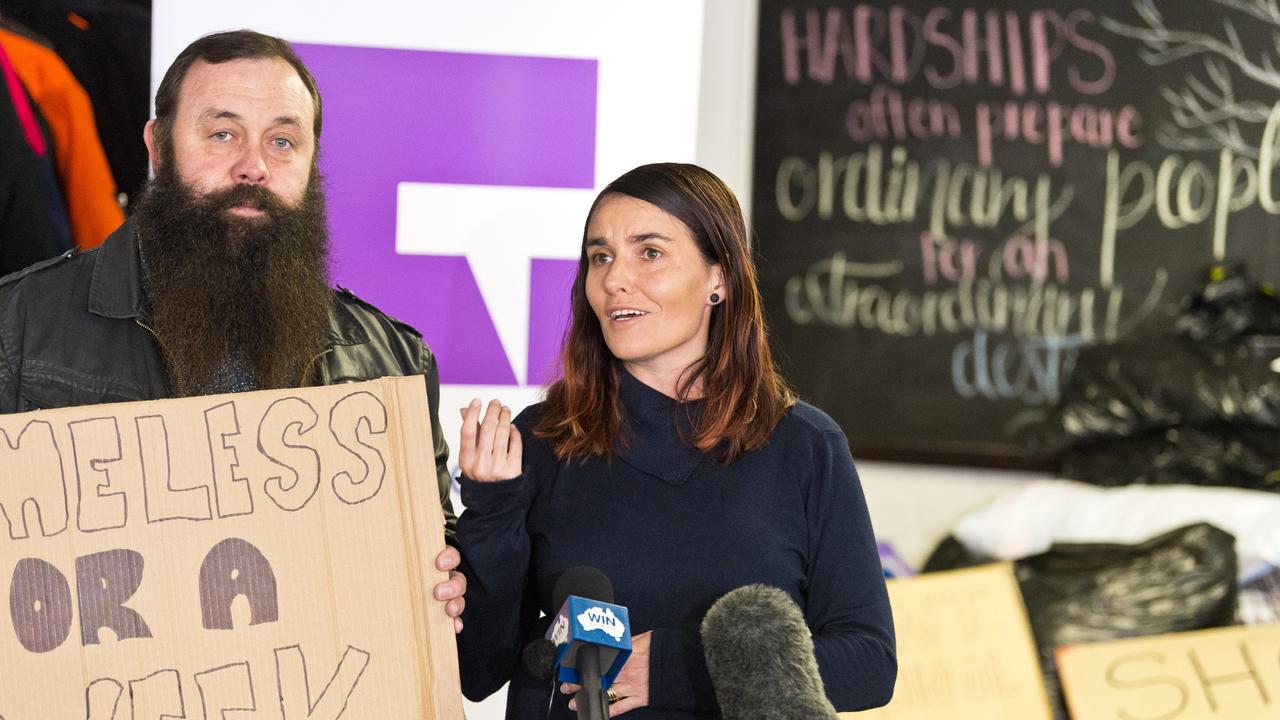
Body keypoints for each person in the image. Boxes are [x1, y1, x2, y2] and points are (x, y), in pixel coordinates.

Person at [0, 30, 466, 629]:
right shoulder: (18, 326)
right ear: (158, 147)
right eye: (222, 134)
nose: (254, 166)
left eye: (283, 141)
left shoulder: (391, 360)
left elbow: (431, 539)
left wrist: (450, 578)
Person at [455, 163, 896, 718]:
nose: (615, 279)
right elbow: (477, 672)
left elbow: (869, 664)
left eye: (650, 253)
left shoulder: (805, 445)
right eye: (600, 257)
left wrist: (679, 666)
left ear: (720, 278)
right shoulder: (542, 439)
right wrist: (489, 511)